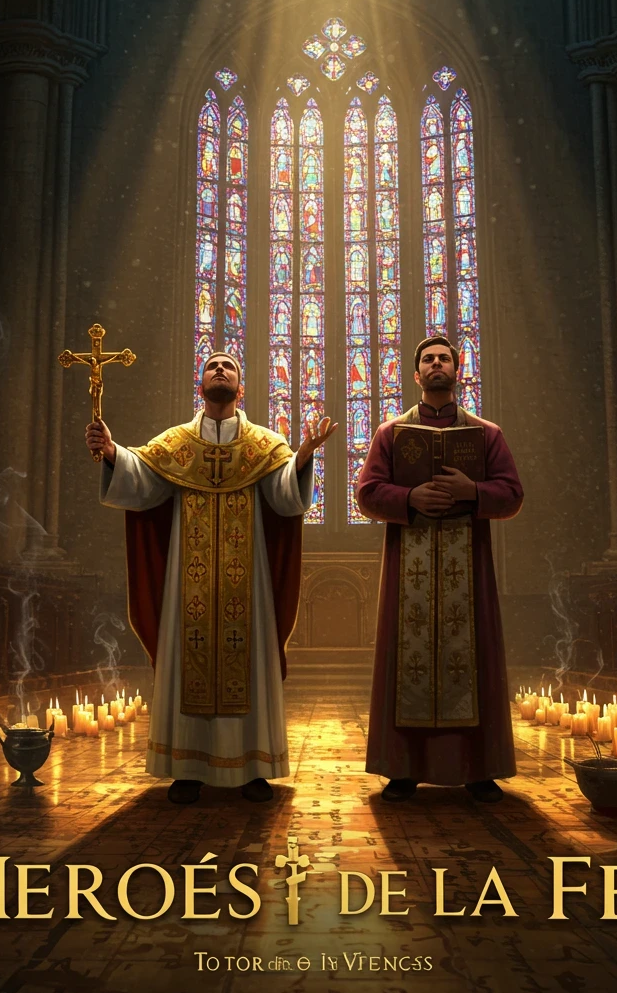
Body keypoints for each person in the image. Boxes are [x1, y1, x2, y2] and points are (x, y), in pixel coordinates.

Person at [87, 352, 336, 805]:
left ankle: (254, 767)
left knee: (250, 661)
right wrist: (111, 453)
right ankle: (188, 768)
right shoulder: (175, 445)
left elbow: (285, 500)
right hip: (188, 586)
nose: (220, 370)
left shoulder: (264, 445)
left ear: (241, 387)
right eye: (212, 366)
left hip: (249, 586)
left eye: (229, 366)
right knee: (189, 662)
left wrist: (301, 458)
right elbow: (142, 482)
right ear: (200, 385)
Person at [356, 335, 523, 803]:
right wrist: (409, 497)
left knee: (471, 659)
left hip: (468, 567)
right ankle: (403, 769)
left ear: (456, 370)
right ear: (416, 374)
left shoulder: (487, 434)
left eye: (444, 358)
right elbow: (367, 493)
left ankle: (477, 769)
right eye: (428, 359)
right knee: (405, 661)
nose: (436, 364)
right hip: (407, 568)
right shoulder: (390, 433)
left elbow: (512, 494)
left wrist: (473, 491)